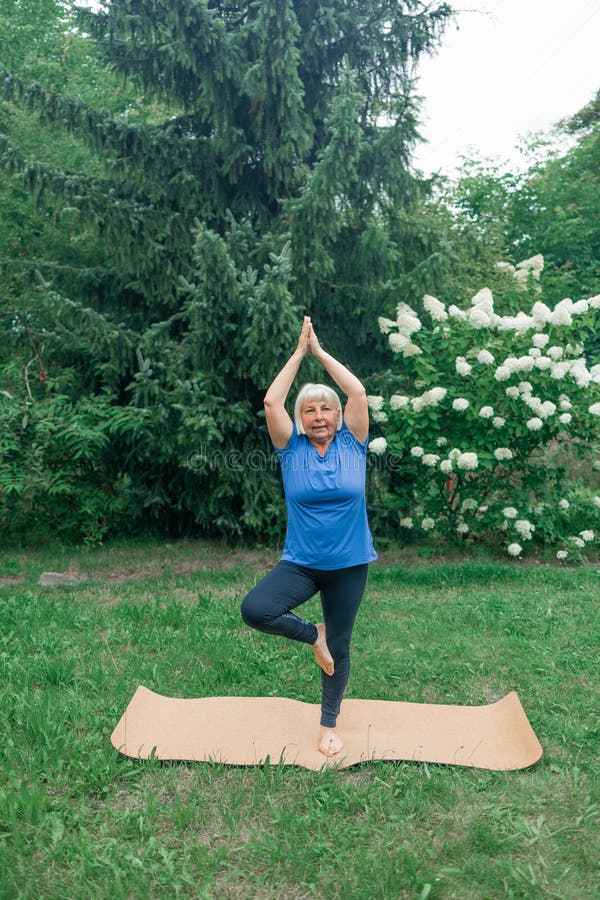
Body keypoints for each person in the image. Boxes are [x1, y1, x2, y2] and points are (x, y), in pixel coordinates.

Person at [241, 315, 377, 756]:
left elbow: (357, 391)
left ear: (339, 416)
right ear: (301, 419)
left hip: (349, 564)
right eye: (309, 410)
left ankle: (328, 723)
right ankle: (310, 634)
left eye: (326, 409)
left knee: (340, 645)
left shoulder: (353, 443)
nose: (319, 416)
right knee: (256, 609)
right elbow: (269, 401)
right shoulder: (291, 449)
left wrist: (320, 353)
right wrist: (299, 355)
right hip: (300, 562)